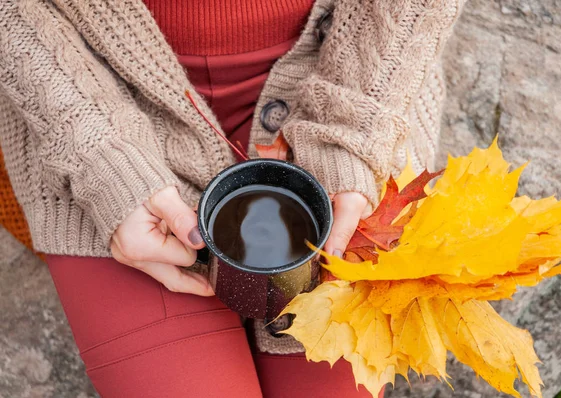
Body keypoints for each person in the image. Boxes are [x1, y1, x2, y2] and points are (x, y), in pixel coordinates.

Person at [0, 0, 465, 396]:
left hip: (359, 80)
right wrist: (102, 157)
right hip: (86, 94)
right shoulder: (96, 137)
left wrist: (351, 134)